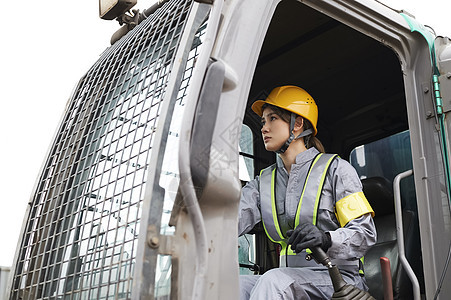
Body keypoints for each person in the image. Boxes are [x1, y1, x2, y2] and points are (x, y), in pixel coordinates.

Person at [238, 85, 377, 299]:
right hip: (290, 278)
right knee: (234, 285)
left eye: (273, 118)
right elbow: (232, 221)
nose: (264, 128)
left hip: (339, 280)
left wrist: (326, 238)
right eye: (263, 121)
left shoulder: (337, 170)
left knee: (274, 282)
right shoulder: (263, 182)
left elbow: (365, 234)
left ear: (298, 124)